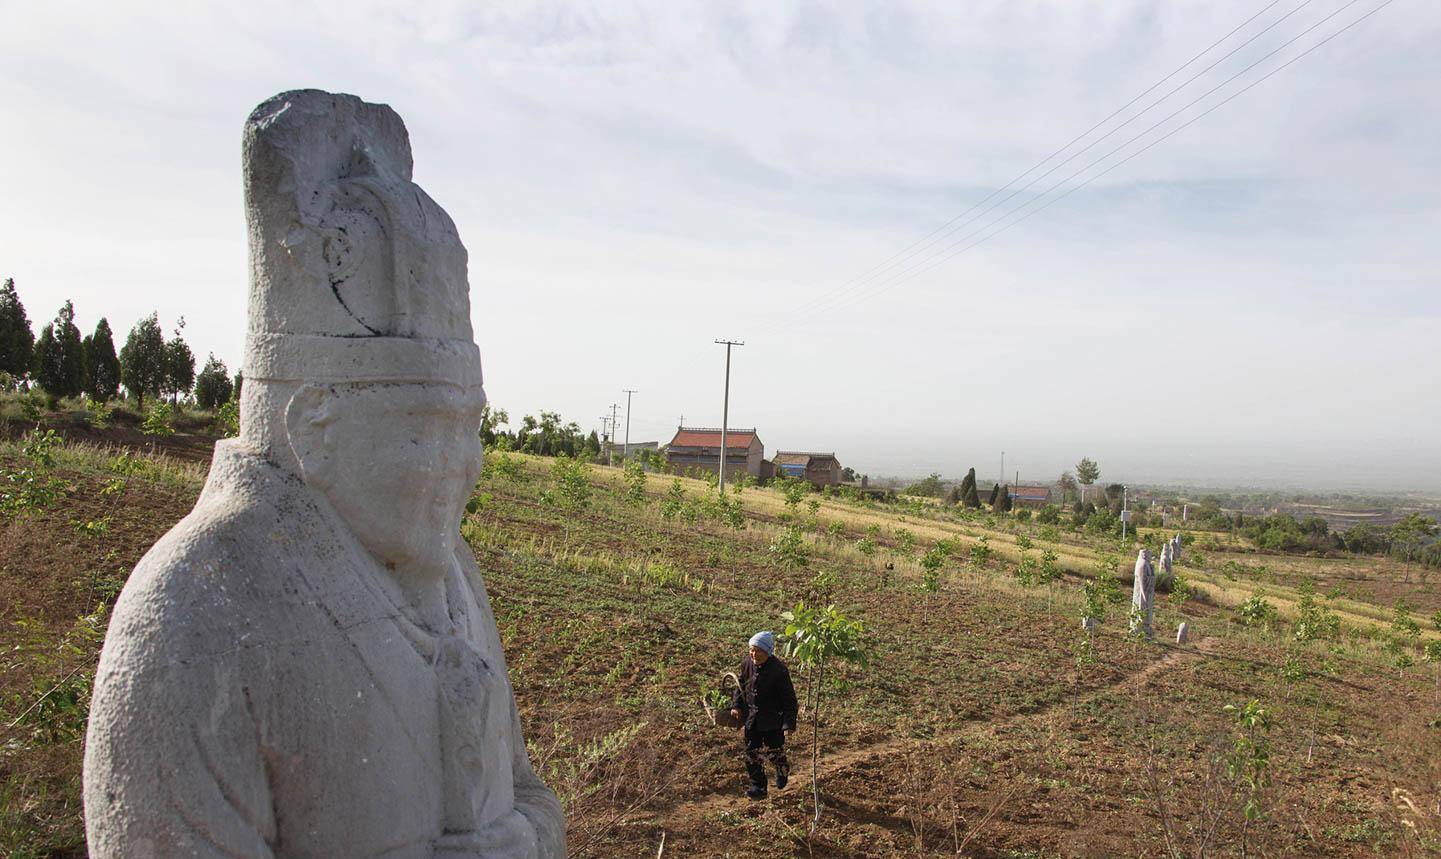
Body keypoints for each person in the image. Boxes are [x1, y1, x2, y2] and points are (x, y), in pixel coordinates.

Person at [728, 630, 799, 799]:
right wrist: (736, 705)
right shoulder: (747, 664)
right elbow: (740, 686)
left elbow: (789, 699)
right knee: (752, 753)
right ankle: (758, 787)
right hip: (752, 719)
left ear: (768, 651)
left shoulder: (779, 671)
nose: (754, 654)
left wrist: (788, 724)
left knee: (774, 751)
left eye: (758, 651)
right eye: (751, 650)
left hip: (773, 720)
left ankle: (781, 769)